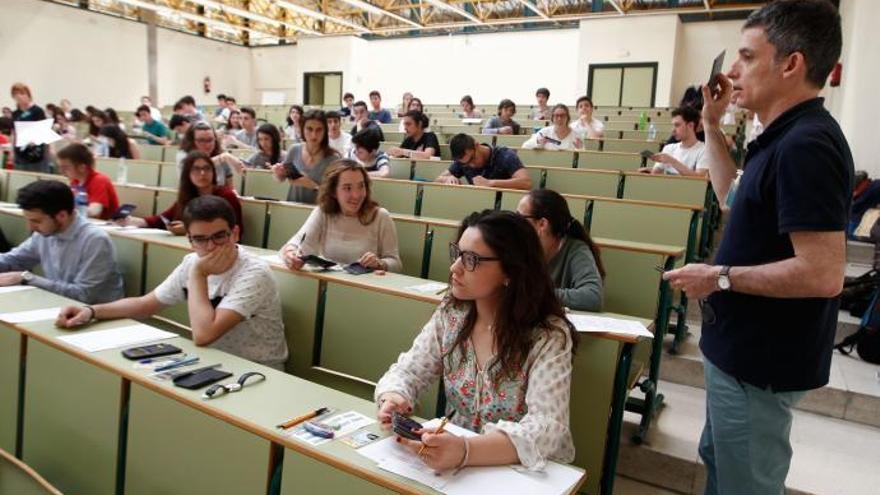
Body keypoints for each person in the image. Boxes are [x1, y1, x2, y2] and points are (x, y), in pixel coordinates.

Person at [663, 2, 853, 494]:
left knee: (746, 483)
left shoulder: (806, 145)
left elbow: (822, 273)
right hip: (739, 351)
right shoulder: (778, 136)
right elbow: (731, 197)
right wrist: (711, 124)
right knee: (722, 464)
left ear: (790, 64)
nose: (732, 70)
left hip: (760, 360)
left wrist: (719, 275)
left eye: (747, 56)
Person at [375, 209, 576, 472]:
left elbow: (548, 426)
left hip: (515, 469)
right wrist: (394, 397)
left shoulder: (548, 337)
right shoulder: (452, 315)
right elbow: (409, 370)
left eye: (471, 260)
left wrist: (467, 451)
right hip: (450, 459)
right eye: (457, 254)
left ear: (510, 271)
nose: (454, 268)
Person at [57, 195, 288, 370]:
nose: (210, 247)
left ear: (235, 234)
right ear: (189, 240)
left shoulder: (254, 273)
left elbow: (203, 334)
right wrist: (90, 311)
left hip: (258, 370)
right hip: (213, 363)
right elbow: (146, 305)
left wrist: (198, 274)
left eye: (219, 236)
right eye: (200, 239)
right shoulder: (192, 263)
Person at [0, 180, 124, 303]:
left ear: (62, 216)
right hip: (61, 305)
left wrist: (27, 279)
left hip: (97, 313)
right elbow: (14, 260)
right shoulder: (44, 233)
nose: (30, 228)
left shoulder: (95, 240)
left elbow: (84, 295)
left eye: (36, 221)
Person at [281, 160, 402, 272]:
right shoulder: (323, 212)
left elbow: (396, 264)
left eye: (361, 186)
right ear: (333, 192)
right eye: (347, 188)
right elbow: (296, 243)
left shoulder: (381, 217)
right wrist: (290, 254)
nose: (356, 195)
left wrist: (379, 264)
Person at [516, 190, 603, 311]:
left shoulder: (576, 249)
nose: (515, 224)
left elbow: (592, 297)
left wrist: (535, 294)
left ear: (542, 224)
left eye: (520, 218)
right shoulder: (517, 247)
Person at [121, 151, 243, 236]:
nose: (202, 173)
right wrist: (131, 221)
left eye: (207, 168)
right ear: (187, 174)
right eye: (196, 169)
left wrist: (189, 230)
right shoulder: (188, 196)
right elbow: (162, 220)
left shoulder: (226, 196)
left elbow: (234, 230)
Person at [271, 109, 340, 204]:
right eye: (309, 129)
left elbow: (336, 195)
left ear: (325, 131)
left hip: (319, 212)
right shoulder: (294, 150)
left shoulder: (334, 159)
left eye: (319, 130)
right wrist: (278, 173)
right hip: (293, 206)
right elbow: (281, 178)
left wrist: (313, 186)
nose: (314, 135)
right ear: (302, 129)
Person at [437, 134, 531, 190]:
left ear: (477, 145)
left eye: (472, 159)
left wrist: (491, 183)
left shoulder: (505, 154)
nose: (471, 165)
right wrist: (447, 179)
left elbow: (526, 182)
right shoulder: (463, 160)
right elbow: (438, 179)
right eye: (465, 163)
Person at [638, 106, 708, 176]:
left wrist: (671, 161)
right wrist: (650, 172)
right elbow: (656, 173)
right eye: (673, 125)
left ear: (690, 126)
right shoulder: (669, 148)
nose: (673, 130)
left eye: (677, 125)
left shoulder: (703, 150)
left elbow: (700, 178)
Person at [57, 143, 119, 220]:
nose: (61, 171)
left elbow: (95, 212)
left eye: (65, 167)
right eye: (60, 167)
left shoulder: (99, 180)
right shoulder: (75, 182)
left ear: (82, 167)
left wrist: (64, 212)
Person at [178, 122, 244, 188]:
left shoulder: (221, 156)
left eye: (210, 140)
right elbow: (191, 168)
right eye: (201, 140)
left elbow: (231, 188)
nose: (207, 145)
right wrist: (223, 157)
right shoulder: (183, 155)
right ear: (191, 142)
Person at [10, 83, 50, 172]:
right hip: (20, 151)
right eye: (16, 95)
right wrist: (12, 152)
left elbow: (44, 131)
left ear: (28, 95)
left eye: (22, 93)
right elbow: (14, 134)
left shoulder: (37, 111)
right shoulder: (15, 114)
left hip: (35, 151)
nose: (19, 97)